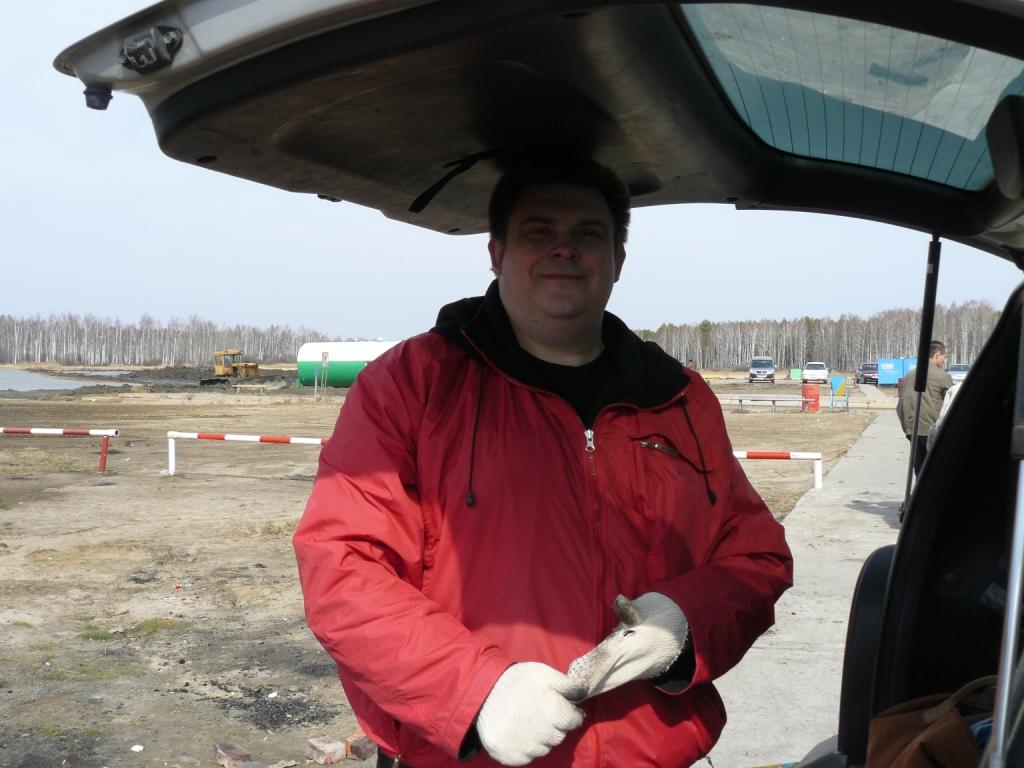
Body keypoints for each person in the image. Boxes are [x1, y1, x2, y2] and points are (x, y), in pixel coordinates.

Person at [293, 154, 793, 768]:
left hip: (653, 754)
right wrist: (474, 690)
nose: (565, 248)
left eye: (589, 233)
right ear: (496, 253)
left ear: (618, 261)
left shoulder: (681, 400)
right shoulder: (411, 386)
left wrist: (683, 624)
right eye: (539, 231)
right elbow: (342, 567)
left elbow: (757, 557)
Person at [896, 340, 954, 476]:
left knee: (920, 470)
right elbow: (951, 405)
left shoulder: (910, 375)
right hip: (932, 431)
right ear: (937, 355)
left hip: (913, 430)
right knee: (935, 471)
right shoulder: (943, 376)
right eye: (944, 357)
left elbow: (901, 405)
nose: (944, 360)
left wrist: (908, 428)